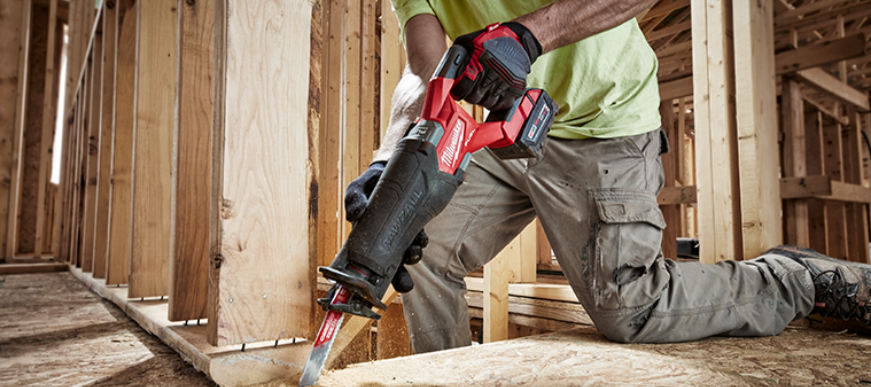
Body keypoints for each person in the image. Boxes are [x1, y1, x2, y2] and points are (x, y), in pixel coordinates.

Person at [343, 0, 871, 354]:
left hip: (605, 123)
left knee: (631, 309)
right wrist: (389, 160)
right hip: (510, 129)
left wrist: (531, 35)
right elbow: (424, 70)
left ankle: (795, 278)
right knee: (418, 238)